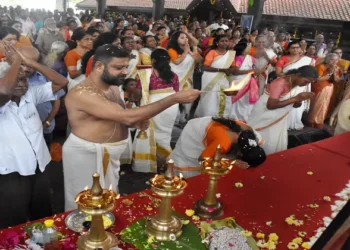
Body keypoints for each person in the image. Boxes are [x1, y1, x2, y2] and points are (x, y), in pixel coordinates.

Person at [62, 44, 200, 211]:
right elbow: (125, 115)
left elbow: (116, 115)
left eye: (126, 66)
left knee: (107, 200)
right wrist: (173, 98)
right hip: (88, 155)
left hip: (108, 154)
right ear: (99, 66)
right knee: (86, 204)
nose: (125, 72)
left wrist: (133, 123)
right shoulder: (82, 93)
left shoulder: (112, 86)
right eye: (118, 67)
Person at [0, 44, 68, 228]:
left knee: (42, 213)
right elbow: (4, 92)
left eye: (25, 80)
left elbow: (61, 82)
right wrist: (16, 63)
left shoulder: (32, 94)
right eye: (17, 81)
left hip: (40, 164)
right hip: (12, 171)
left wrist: (30, 63)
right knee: (14, 219)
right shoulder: (2, 100)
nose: (22, 85)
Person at [248, 66, 318, 155]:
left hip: (279, 119)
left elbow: (295, 105)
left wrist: (300, 99)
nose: (306, 85)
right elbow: (270, 105)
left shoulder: (297, 85)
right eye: (306, 81)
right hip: (265, 115)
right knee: (265, 139)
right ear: (298, 75)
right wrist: (296, 98)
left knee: (274, 139)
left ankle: (271, 158)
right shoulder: (280, 83)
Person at [170, 117, 266, 178]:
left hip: (211, 126)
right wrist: (231, 162)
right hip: (194, 133)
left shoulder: (249, 133)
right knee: (190, 165)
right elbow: (202, 160)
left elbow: (259, 142)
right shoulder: (223, 144)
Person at [133, 49, 180, 173]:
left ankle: (154, 162)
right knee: (165, 134)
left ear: (153, 60)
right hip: (171, 104)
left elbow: (138, 93)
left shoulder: (147, 74)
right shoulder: (174, 75)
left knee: (151, 133)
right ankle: (167, 161)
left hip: (154, 104)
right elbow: (177, 92)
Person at [276, 41, 315, 130]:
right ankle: (281, 122)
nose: (295, 49)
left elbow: (311, 73)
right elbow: (278, 72)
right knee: (285, 101)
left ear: (300, 49)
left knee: (297, 103)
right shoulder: (283, 58)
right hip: (286, 83)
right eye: (293, 47)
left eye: (297, 47)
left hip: (301, 85)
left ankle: (294, 122)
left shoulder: (307, 60)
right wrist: (291, 78)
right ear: (288, 49)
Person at [195, 35, 236, 117]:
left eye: (226, 41)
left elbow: (233, 67)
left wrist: (230, 71)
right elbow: (205, 67)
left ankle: (220, 117)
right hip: (210, 78)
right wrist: (221, 70)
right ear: (217, 43)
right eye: (222, 41)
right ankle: (207, 117)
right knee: (210, 98)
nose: (225, 43)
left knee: (223, 98)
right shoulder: (212, 52)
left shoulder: (230, 54)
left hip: (223, 78)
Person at [167, 31, 202, 120]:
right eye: (182, 38)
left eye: (186, 38)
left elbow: (200, 60)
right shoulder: (171, 50)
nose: (185, 39)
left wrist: (192, 49)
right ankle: (175, 119)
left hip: (188, 79)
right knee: (176, 99)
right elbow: (177, 62)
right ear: (176, 40)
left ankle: (184, 118)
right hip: (176, 79)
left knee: (188, 98)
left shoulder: (189, 50)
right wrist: (186, 52)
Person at [308, 53, 342, 128]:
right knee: (317, 104)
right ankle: (312, 120)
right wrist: (330, 73)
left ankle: (319, 120)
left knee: (325, 104)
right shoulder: (321, 66)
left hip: (330, 87)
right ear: (327, 60)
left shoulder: (337, 68)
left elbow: (337, 80)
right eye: (332, 60)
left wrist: (334, 72)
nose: (334, 62)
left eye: (336, 60)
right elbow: (318, 79)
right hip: (320, 87)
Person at [229, 42, 259, 121]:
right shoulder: (239, 58)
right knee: (238, 99)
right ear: (243, 50)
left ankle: (245, 117)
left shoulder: (250, 57)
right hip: (238, 81)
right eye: (248, 47)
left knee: (245, 99)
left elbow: (258, 65)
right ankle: (235, 117)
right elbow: (236, 71)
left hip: (248, 81)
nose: (250, 48)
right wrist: (249, 71)